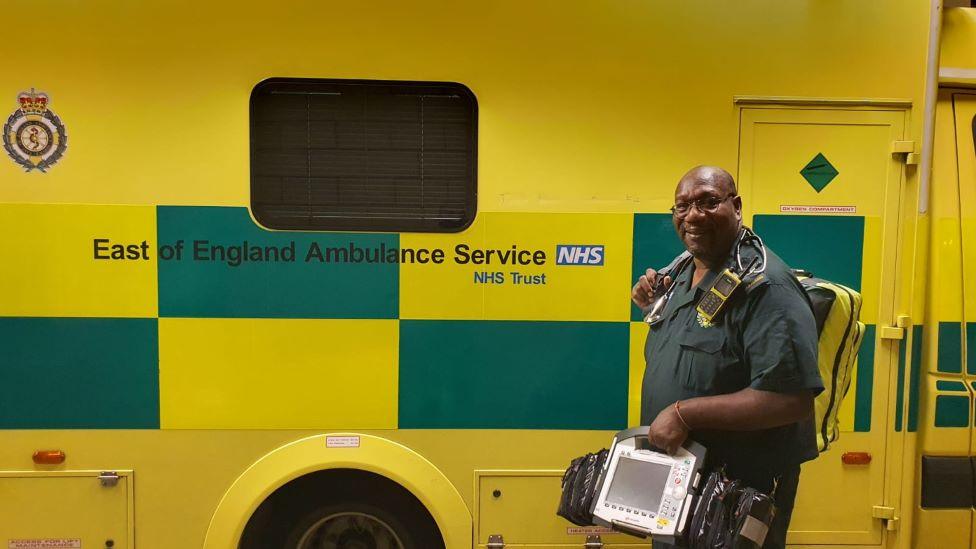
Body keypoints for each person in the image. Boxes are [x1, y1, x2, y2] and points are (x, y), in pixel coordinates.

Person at [631, 166, 823, 549]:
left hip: (735, 491)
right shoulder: (683, 271)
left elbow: (790, 400)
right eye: (682, 206)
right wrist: (652, 306)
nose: (693, 215)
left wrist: (684, 413)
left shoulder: (767, 288)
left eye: (708, 202)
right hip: (681, 480)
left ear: (736, 206)